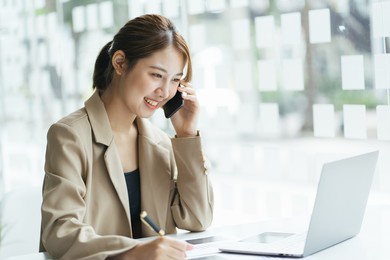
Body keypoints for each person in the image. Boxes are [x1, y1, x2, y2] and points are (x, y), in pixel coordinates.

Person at [39, 14, 214, 260]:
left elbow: (198, 218)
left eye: (175, 80)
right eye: (156, 75)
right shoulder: (69, 136)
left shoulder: (160, 144)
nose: (164, 92)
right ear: (120, 63)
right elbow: (60, 232)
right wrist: (134, 251)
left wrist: (186, 135)